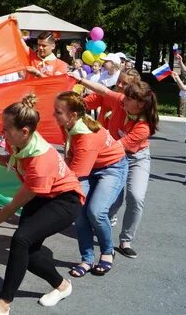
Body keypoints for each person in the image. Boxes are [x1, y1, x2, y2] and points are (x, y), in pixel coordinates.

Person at [0, 94, 83, 314]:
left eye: (6, 129)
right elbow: (14, 161)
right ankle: (62, 286)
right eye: (2, 127)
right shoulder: (20, 142)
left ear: (24, 131)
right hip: (45, 195)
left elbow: (15, 204)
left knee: (21, 240)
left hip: (65, 200)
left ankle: (3, 305)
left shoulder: (41, 162)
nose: (2, 133)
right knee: (28, 252)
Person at [75, 77, 158, 258]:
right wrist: (80, 79)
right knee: (111, 200)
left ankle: (125, 240)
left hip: (135, 158)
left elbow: (117, 148)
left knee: (135, 197)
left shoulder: (144, 127)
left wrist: (89, 150)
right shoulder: (122, 102)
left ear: (141, 104)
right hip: (112, 155)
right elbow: (103, 91)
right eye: (125, 97)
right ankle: (100, 221)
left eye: (129, 99)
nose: (123, 99)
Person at [53, 91, 127, 277]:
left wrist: (49, 190)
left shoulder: (87, 138)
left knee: (96, 212)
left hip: (111, 168)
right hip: (89, 165)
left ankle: (107, 252)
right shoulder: (68, 124)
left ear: (73, 115)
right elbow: (70, 154)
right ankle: (87, 259)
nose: (54, 115)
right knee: (79, 212)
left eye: (58, 112)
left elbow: (75, 176)